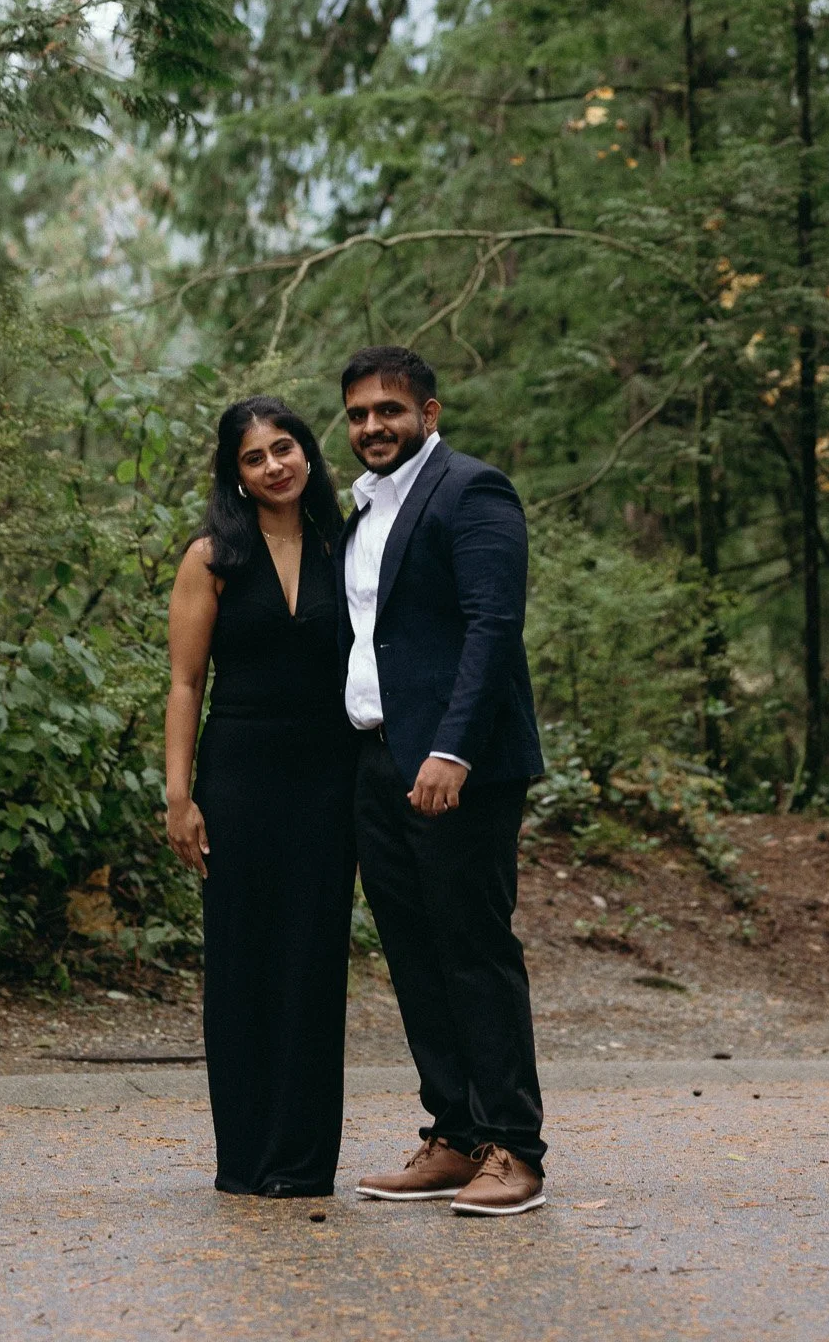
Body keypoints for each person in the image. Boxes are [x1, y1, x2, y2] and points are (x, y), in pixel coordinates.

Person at [337, 344, 547, 1217]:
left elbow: (492, 629)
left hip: (456, 766)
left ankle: (515, 1150)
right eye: (356, 414)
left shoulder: (472, 490)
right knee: (415, 957)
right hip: (377, 760)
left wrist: (452, 751)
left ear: (430, 411)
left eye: (389, 410)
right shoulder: (359, 512)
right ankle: (455, 1137)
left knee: (472, 950)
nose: (372, 427)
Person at [165, 395, 355, 1197]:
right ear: (235, 474)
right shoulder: (211, 556)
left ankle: (303, 1163)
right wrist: (178, 796)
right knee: (242, 959)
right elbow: (183, 681)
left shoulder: (348, 549)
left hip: (328, 774)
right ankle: (244, 1158)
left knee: (312, 962)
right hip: (237, 773)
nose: (274, 464)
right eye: (254, 456)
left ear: (308, 454)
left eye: (285, 448)